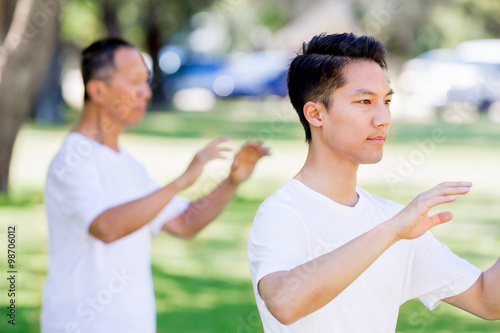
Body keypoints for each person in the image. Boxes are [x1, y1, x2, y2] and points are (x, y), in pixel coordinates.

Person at [247, 32, 500, 332]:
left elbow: (488, 300)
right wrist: (392, 231)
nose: (383, 118)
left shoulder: (396, 221)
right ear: (315, 114)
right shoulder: (284, 212)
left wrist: (395, 228)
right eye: (365, 101)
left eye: (387, 101)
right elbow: (284, 303)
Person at [41, 37, 269, 333]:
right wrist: (182, 181)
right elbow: (106, 228)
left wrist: (231, 182)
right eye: (136, 81)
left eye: (147, 82)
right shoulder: (71, 160)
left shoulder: (130, 166)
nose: (146, 92)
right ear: (97, 90)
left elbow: (184, 223)